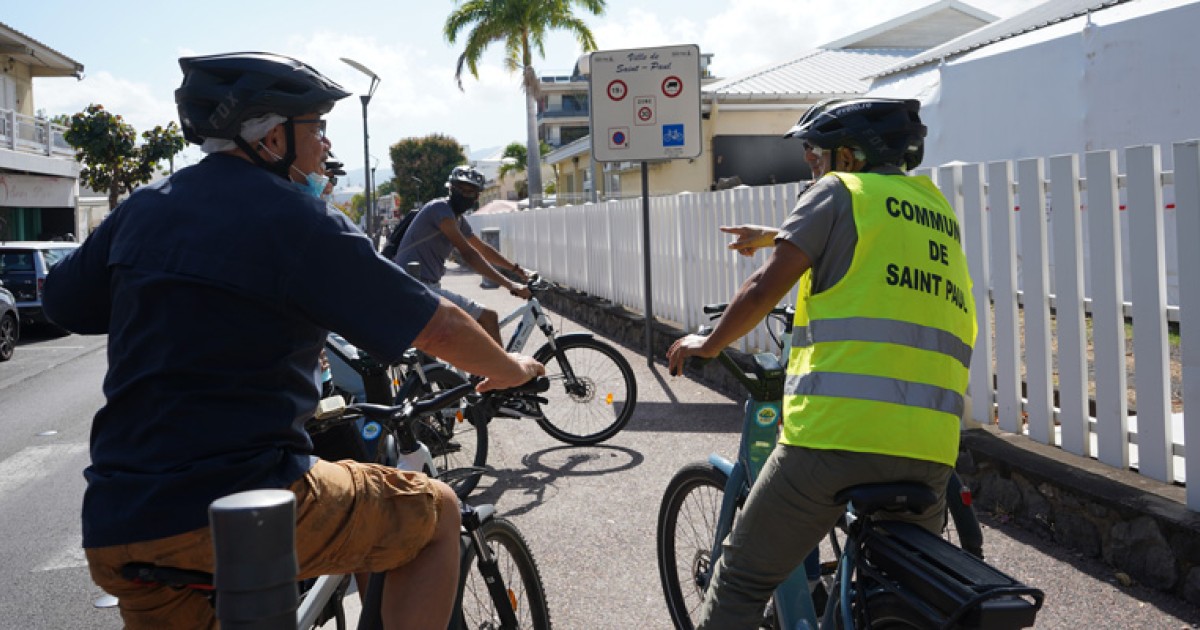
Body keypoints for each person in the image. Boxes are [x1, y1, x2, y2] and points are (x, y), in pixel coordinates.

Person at [42, 51, 543, 630]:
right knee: (435, 515)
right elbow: (439, 326)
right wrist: (511, 369)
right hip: (246, 500)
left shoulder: (145, 208)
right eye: (318, 129)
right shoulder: (294, 219)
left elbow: (63, 303)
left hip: (120, 523)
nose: (326, 147)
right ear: (273, 136)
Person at [666, 98, 977, 628]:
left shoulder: (838, 191)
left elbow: (766, 285)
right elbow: (877, 257)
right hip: (932, 449)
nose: (811, 165)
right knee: (899, 591)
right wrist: (772, 234)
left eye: (815, 154)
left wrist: (709, 343)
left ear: (850, 157)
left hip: (838, 437)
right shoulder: (935, 210)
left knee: (741, 576)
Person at [391, 165, 531, 345]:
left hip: (423, 285)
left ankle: (474, 370)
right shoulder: (440, 210)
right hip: (418, 287)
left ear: (477, 196)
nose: (465, 195)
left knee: (453, 341)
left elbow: (483, 248)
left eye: (470, 191)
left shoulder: (458, 219)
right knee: (489, 318)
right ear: (451, 188)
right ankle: (501, 374)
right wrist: (511, 285)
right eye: (460, 189)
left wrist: (516, 269)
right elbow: (469, 254)